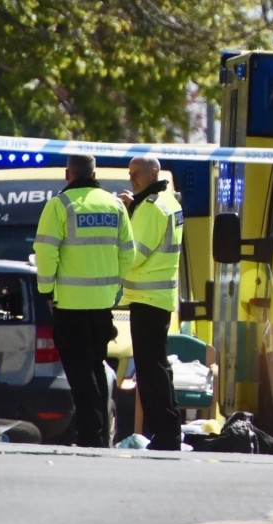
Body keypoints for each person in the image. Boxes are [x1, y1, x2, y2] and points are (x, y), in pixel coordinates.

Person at [34, 155, 134, 447]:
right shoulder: (115, 204)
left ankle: (90, 436)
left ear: (68, 174)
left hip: (70, 305)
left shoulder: (60, 206)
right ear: (94, 173)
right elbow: (128, 253)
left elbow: (45, 252)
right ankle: (100, 436)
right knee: (96, 368)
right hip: (102, 304)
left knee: (80, 374)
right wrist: (114, 287)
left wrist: (46, 291)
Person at [118, 156, 185, 451]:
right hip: (158, 297)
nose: (132, 178)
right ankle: (169, 430)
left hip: (146, 297)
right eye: (130, 173)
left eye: (138, 173)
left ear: (153, 172)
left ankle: (166, 433)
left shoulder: (151, 207)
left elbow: (135, 254)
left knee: (150, 370)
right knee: (157, 367)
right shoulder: (169, 202)